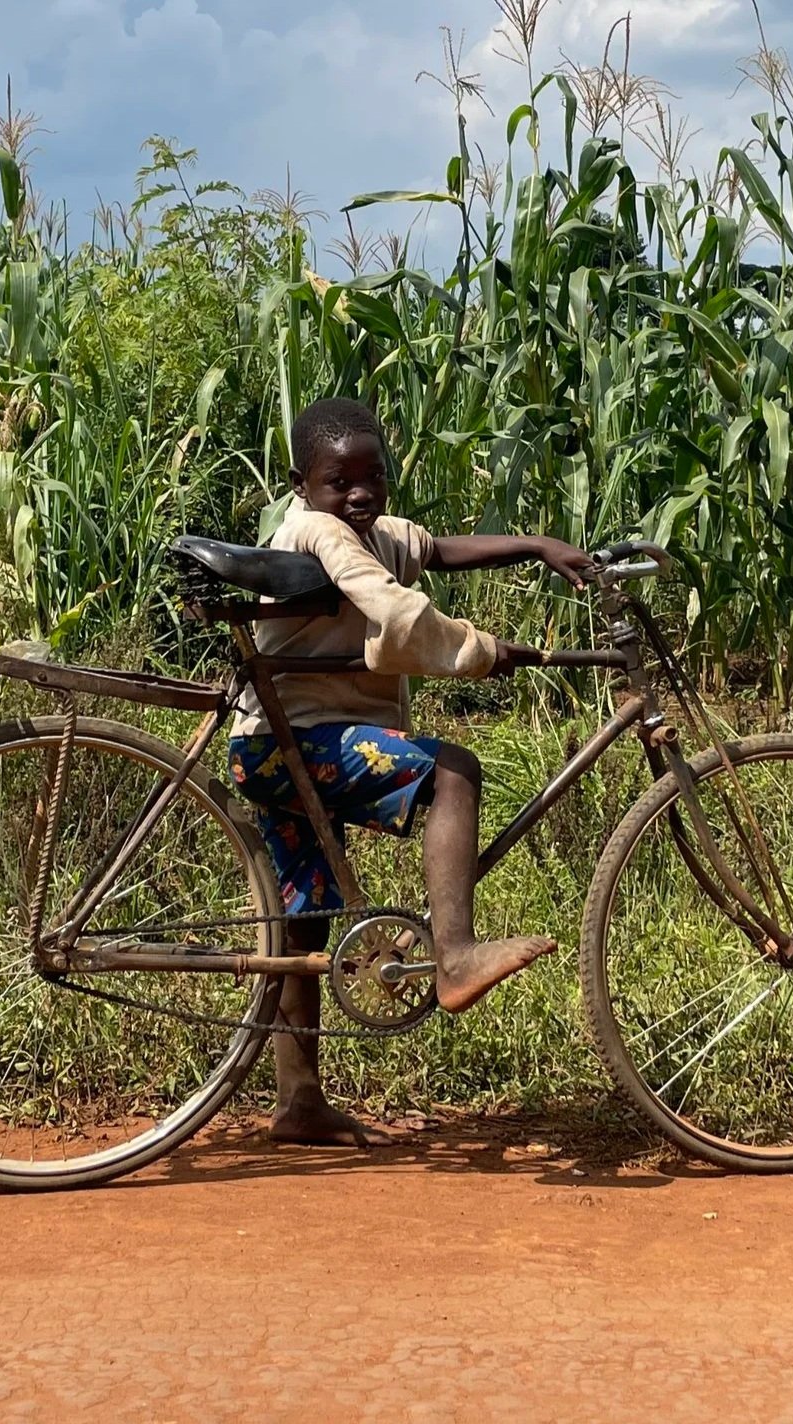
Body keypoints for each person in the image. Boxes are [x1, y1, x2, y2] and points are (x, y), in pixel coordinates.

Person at [228, 396, 596, 1148]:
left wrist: (536, 545)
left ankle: (298, 1103)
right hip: (295, 740)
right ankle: (455, 955)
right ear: (301, 485)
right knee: (453, 771)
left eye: (374, 476)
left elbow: (437, 549)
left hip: (281, 743)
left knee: (304, 917)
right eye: (340, 480)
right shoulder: (322, 534)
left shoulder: (367, 529)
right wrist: (486, 651)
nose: (360, 493)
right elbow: (393, 611)